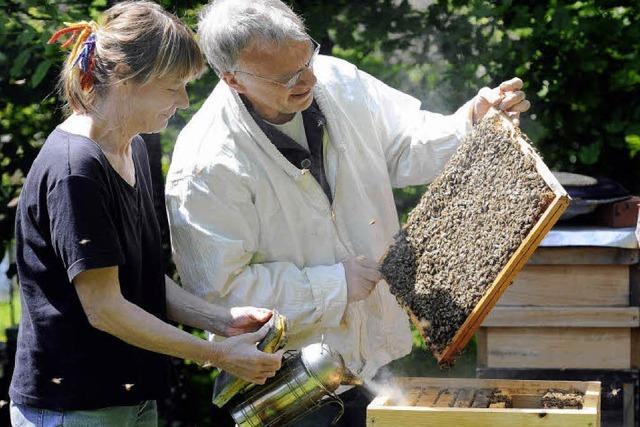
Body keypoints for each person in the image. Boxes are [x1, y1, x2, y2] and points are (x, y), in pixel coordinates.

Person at [165, 0, 530, 425]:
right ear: (233, 79)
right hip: (287, 388)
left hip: (374, 358)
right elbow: (218, 297)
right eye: (288, 76)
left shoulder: (338, 81)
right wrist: (332, 285)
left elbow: (404, 145)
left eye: (307, 60)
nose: (309, 79)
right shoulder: (206, 166)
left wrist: (468, 120)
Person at [9, 2, 282, 426]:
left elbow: (141, 277)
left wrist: (221, 321)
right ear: (123, 79)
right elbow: (106, 308)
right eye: (173, 86)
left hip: (133, 399)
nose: (184, 101)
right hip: (73, 410)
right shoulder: (75, 170)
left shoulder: (136, 144)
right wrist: (216, 354)